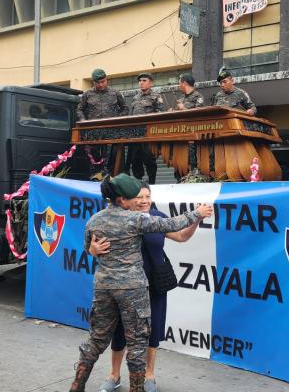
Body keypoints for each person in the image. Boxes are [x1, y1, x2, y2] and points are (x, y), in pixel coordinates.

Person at [69, 174, 213, 392]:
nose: (139, 201)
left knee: (96, 339)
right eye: (133, 197)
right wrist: (198, 213)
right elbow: (173, 223)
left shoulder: (94, 219)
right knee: (137, 344)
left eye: (145, 196)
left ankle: (77, 384)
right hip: (132, 290)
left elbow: (88, 245)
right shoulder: (136, 219)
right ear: (122, 200)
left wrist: (93, 250)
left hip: (104, 288)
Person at [77, 68, 129, 172]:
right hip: (93, 132)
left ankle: (111, 178)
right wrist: (83, 120)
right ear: (93, 82)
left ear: (107, 80)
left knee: (112, 157)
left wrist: (117, 119)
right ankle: (95, 177)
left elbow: (125, 108)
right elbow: (79, 109)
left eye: (103, 82)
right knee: (94, 157)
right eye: (98, 83)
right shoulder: (87, 94)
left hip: (112, 132)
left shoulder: (115, 93)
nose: (100, 85)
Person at [128, 73, 166, 184]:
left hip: (149, 134)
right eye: (140, 81)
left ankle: (152, 182)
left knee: (149, 160)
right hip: (136, 134)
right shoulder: (135, 97)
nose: (141, 82)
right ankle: (139, 183)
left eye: (144, 80)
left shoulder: (156, 96)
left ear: (151, 83)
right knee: (135, 160)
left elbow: (160, 114)